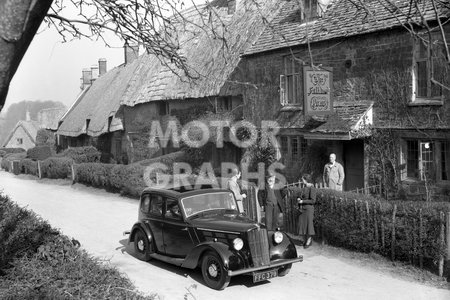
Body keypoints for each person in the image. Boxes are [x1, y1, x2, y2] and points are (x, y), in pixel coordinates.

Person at [297, 174, 316, 248]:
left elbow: (313, 201)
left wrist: (302, 201)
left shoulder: (312, 188)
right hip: (303, 209)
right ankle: (304, 240)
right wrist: (299, 199)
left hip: (309, 209)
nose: (302, 181)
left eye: (302, 179)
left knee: (309, 226)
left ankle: (309, 240)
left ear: (306, 180)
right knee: (303, 225)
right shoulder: (304, 187)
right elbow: (302, 197)